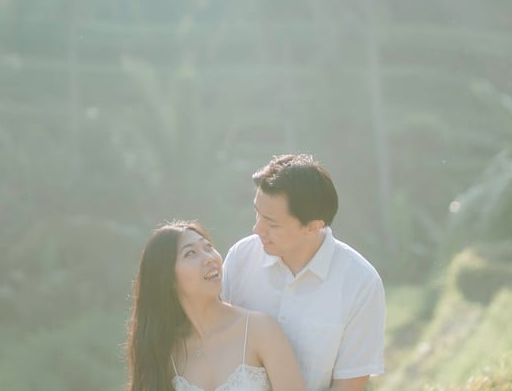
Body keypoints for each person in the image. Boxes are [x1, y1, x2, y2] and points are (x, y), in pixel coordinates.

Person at [222, 154, 386, 391]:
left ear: (313, 226)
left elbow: (349, 385)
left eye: (272, 223)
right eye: (257, 213)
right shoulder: (240, 258)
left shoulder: (361, 284)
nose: (257, 228)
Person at [125, 220, 306, 391]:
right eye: (190, 253)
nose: (209, 258)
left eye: (208, 247)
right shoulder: (165, 353)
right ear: (168, 278)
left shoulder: (260, 330)